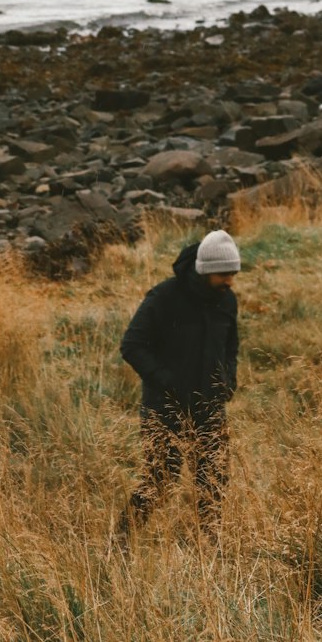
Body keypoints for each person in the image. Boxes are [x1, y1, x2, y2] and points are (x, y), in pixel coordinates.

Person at [118, 230, 240, 537]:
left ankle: (210, 548)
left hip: (210, 407)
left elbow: (230, 346)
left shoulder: (227, 302)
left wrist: (227, 379)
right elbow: (132, 345)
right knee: (160, 480)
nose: (230, 282)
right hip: (165, 407)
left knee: (213, 479)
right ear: (204, 272)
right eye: (224, 275)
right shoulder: (164, 298)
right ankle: (121, 539)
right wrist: (168, 382)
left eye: (233, 274)